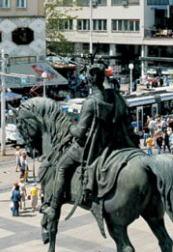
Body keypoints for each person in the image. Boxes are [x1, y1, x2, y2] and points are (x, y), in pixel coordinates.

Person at [44, 64, 138, 221]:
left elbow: (80, 132)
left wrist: (70, 127)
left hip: (92, 147)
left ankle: (53, 206)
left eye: (88, 78)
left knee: (61, 166)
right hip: (111, 143)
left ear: (90, 80)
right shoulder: (113, 96)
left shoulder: (90, 103)